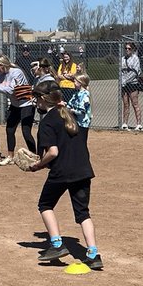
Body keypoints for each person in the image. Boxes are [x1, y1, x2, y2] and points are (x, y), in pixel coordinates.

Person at [26, 79, 102, 270]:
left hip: (62, 171)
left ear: (44, 100)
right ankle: (93, 254)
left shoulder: (47, 122)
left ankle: (57, 244)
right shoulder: (69, 115)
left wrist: (37, 165)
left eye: (36, 98)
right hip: (83, 169)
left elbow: (53, 152)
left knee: (45, 204)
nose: (35, 103)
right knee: (83, 213)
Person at [0, 55, 37, 166]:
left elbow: (12, 90)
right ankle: (10, 157)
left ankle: (34, 156)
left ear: (3, 65)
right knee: (9, 130)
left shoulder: (16, 72)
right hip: (15, 105)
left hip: (26, 104)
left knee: (26, 132)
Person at [120, 42, 142, 131]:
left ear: (132, 50)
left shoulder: (135, 59)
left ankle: (139, 124)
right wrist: (122, 81)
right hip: (124, 85)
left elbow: (135, 72)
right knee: (126, 104)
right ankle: (125, 123)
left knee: (135, 104)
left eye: (129, 49)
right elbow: (120, 72)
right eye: (126, 48)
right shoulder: (122, 59)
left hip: (132, 84)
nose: (127, 50)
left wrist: (125, 80)